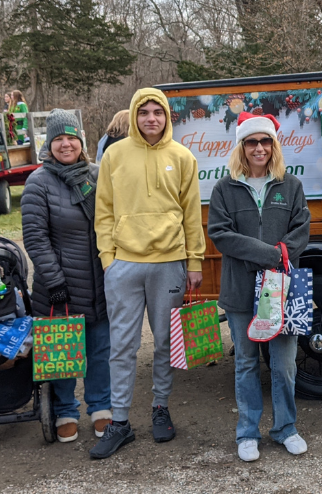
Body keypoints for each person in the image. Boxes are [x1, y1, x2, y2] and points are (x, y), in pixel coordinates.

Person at [91, 87, 206, 459]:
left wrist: (194, 262)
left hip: (169, 263)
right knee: (122, 346)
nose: (151, 119)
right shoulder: (114, 154)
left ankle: (160, 408)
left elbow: (191, 213)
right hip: (124, 264)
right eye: (145, 112)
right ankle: (120, 421)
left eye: (158, 112)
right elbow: (104, 210)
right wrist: (109, 259)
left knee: (164, 344)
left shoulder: (182, 156)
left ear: (167, 116)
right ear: (134, 116)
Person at [208, 112, 311, 462]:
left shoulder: (291, 186)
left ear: (274, 146)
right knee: (247, 363)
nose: (259, 148)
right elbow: (221, 234)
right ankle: (247, 432)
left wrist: (277, 257)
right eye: (252, 142)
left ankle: (286, 428)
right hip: (239, 291)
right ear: (242, 146)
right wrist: (268, 254)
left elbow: (301, 230)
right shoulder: (225, 188)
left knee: (283, 364)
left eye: (265, 141)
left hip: (279, 291)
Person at [21, 110, 113, 446]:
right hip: (58, 286)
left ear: (81, 142)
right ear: (49, 144)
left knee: (100, 349)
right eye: (58, 139)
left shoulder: (97, 175)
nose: (65, 144)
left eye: (71, 138)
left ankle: (101, 406)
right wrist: (54, 279)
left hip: (99, 283)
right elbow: (35, 236)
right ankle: (65, 410)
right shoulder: (39, 182)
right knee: (61, 350)